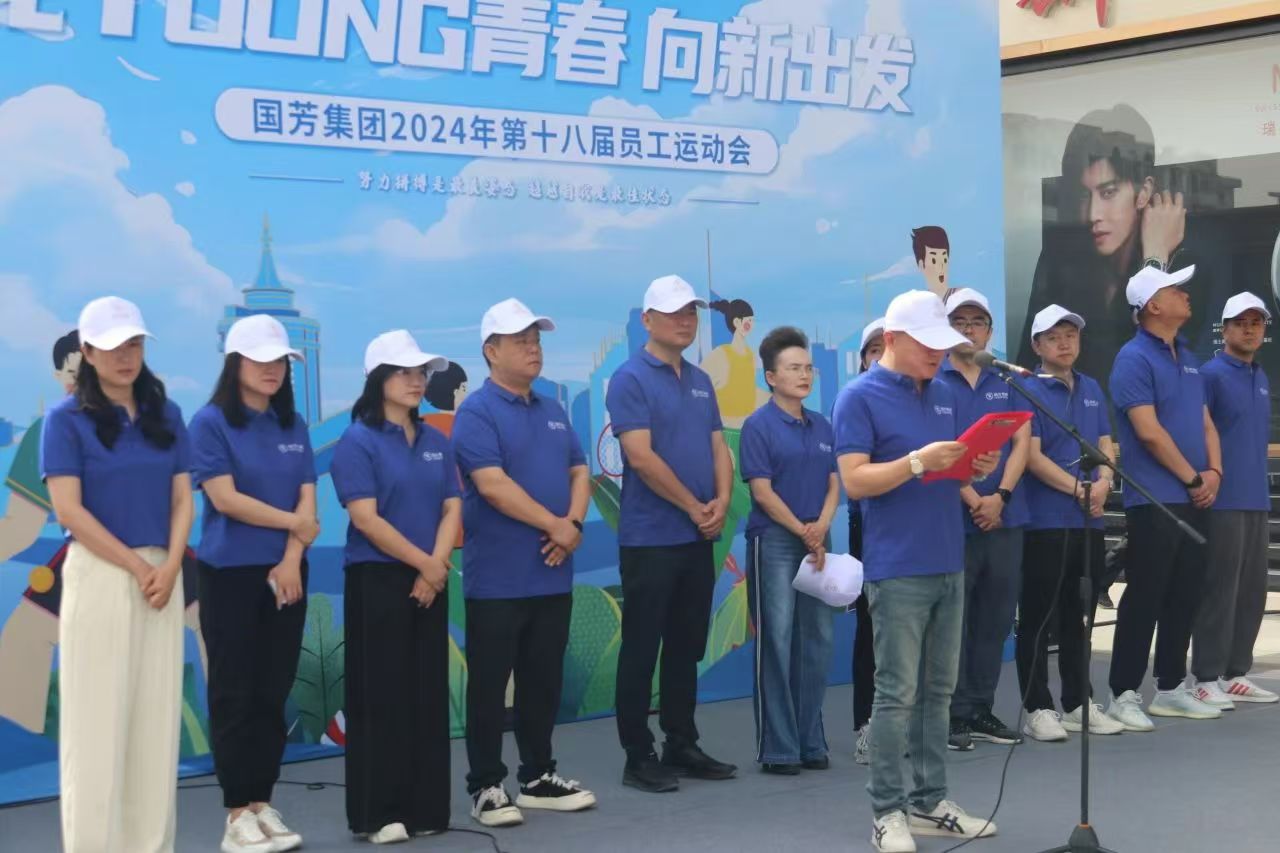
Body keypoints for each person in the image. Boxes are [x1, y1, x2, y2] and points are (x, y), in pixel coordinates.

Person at [834, 290, 1000, 852]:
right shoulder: (858, 397)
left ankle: (930, 801)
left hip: (948, 557)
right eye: (927, 343)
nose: (938, 353)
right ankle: (887, 810)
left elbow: (950, 474)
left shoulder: (945, 393)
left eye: (943, 344)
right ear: (892, 340)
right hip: (897, 567)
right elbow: (854, 481)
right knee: (896, 693)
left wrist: (975, 465)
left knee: (938, 691)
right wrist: (915, 463)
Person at [41, 296, 193, 853]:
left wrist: (170, 565)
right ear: (86, 352)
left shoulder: (166, 414)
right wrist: (136, 565)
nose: (125, 356)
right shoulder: (65, 420)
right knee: (96, 727)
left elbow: (183, 499)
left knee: (155, 725)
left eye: (133, 344)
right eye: (111, 347)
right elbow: (69, 511)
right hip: (102, 573)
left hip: (162, 577)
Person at [452, 299, 596, 827]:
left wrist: (572, 525)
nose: (534, 348)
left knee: (542, 681)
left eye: (536, 340)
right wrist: (555, 525)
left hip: (552, 573)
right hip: (499, 578)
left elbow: (579, 471)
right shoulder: (477, 411)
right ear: (491, 352)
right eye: (521, 341)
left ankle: (537, 777)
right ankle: (486, 786)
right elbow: (492, 486)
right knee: (490, 687)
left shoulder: (553, 408)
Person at [188, 315, 318, 853]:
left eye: (281, 361)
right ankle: (236, 812)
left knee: (272, 690)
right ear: (235, 363)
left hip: (286, 571)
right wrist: (294, 526)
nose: (273, 369)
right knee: (235, 691)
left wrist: (291, 557)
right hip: (231, 574)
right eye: (261, 359)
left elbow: (307, 496)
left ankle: (262, 802)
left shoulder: (293, 424)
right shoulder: (210, 422)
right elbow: (225, 499)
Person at [606, 274, 737, 793]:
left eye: (691, 313)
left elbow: (718, 446)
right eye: (674, 313)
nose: (685, 321)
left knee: (686, 645)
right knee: (642, 647)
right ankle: (637, 754)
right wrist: (692, 506)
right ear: (647, 320)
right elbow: (639, 456)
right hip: (651, 538)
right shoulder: (629, 378)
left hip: (696, 536)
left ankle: (680, 742)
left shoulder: (701, 380)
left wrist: (721, 501)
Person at [330, 330, 459, 844]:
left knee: (427, 694)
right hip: (378, 579)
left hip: (431, 577)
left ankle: (426, 808)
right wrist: (425, 565)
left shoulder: (436, 442)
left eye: (420, 372)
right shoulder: (357, 441)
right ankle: (378, 814)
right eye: (404, 372)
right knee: (381, 696)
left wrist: (436, 566)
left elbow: (452, 507)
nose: (416, 380)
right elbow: (366, 518)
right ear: (377, 378)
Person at [1016, 104, 1213, 392]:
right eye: (1084, 195)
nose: (1093, 214)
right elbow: (1028, 360)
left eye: (1108, 193)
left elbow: (1164, 361)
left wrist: (1155, 260)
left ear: (1144, 192)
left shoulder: (1186, 264)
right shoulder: (1061, 258)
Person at [1104, 266, 1223, 731]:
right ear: (1153, 305)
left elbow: (1205, 421)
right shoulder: (1133, 358)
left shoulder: (1187, 355)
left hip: (1196, 493)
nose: (1185, 294)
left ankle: (1171, 687)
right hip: (1154, 499)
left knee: (1185, 592)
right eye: (1175, 290)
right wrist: (1193, 479)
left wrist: (1214, 473)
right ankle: (1123, 693)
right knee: (1146, 595)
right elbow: (1148, 432)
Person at [1017, 305, 1124, 743]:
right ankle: (1037, 707)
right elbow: (1031, 456)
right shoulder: (1026, 388)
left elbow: (1104, 444)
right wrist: (1078, 489)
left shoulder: (1091, 387)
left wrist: (1104, 483)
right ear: (1037, 345)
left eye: (1071, 335)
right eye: (1054, 337)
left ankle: (1079, 702)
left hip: (1089, 522)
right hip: (1045, 521)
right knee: (1038, 618)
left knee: (1078, 617)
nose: (1064, 343)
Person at [740, 326, 840, 775]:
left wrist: (821, 527)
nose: (804, 376)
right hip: (776, 541)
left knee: (817, 640)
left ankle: (810, 740)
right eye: (794, 368)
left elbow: (835, 483)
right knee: (777, 642)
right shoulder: (757, 426)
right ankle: (779, 748)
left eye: (808, 368)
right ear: (771, 377)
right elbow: (762, 492)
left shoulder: (822, 425)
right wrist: (803, 530)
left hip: (818, 540)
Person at [939, 289, 1031, 750]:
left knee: (995, 620)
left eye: (977, 322)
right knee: (955, 622)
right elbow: (935, 449)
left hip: (1005, 518)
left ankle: (980, 708)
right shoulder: (935, 379)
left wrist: (1001, 497)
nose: (968, 329)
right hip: (955, 519)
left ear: (989, 332)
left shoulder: (1004, 378)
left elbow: (1022, 442)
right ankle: (952, 714)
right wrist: (975, 499)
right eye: (959, 321)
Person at [1190, 293, 1280, 706]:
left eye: (1256, 323)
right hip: (1221, 500)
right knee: (1220, 589)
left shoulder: (1260, 376)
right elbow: (1197, 434)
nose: (1249, 330)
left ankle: (1235, 673)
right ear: (1224, 330)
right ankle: (1206, 676)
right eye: (1240, 323)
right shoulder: (1209, 375)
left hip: (1256, 498)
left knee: (1251, 591)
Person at [850, 317, 884, 766]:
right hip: (871, 527)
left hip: (918, 530)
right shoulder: (856, 400)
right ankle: (866, 726)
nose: (882, 357)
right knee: (871, 630)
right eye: (874, 350)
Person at [702, 297, 769, 429]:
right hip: (726, 430)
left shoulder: (751, 356)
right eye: (748, 320)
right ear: (737, 322)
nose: (751, 324)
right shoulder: (720, 355)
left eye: (752, 320)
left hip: (748, 429)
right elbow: (698, 387)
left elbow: (748, 390)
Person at [911, 226, 954, 302]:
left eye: (944, 259)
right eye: (934, 261)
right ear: (921, 265)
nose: (941, 266)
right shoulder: (918, 303)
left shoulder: (962, 298)